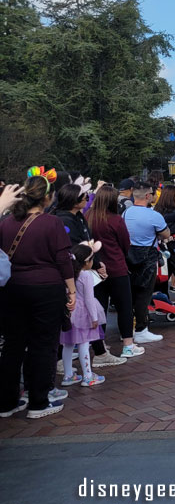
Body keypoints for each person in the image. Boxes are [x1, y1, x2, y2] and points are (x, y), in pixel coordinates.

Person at [0, 174, 75, 419]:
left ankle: (8, 400)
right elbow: (63, 259)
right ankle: (38, 401)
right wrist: (72, 290)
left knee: (13, 345)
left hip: (12, 287)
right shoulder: (51, 223)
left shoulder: (6, 222)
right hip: (46, 288)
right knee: (43, 345)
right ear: (47, 197)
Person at [85, 184, 138, 361]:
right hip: (116, 267)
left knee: (99, 308)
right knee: (124, 307)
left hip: (95, 270)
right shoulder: (116, 220)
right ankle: (128, 346)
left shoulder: (87, 217)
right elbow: (125, 243)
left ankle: (100, 346)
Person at [123, 183, 171, 345]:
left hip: (129, 256)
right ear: (147, 196)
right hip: (147, 256)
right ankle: (141, 330)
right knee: (144, 294)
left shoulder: (126, 213)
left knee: (129, 294)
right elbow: (166, 233)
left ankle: (127, 330)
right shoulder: (154, 215)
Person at [60, 242, 107, 388]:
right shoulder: (86, 275)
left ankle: (68, 375)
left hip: (69, 311)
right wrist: (94, 317)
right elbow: (88, 299)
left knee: (68, 344)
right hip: (83, 313)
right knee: (84, 343)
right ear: (86, 261)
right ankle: (87, 375)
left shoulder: (67, 274)